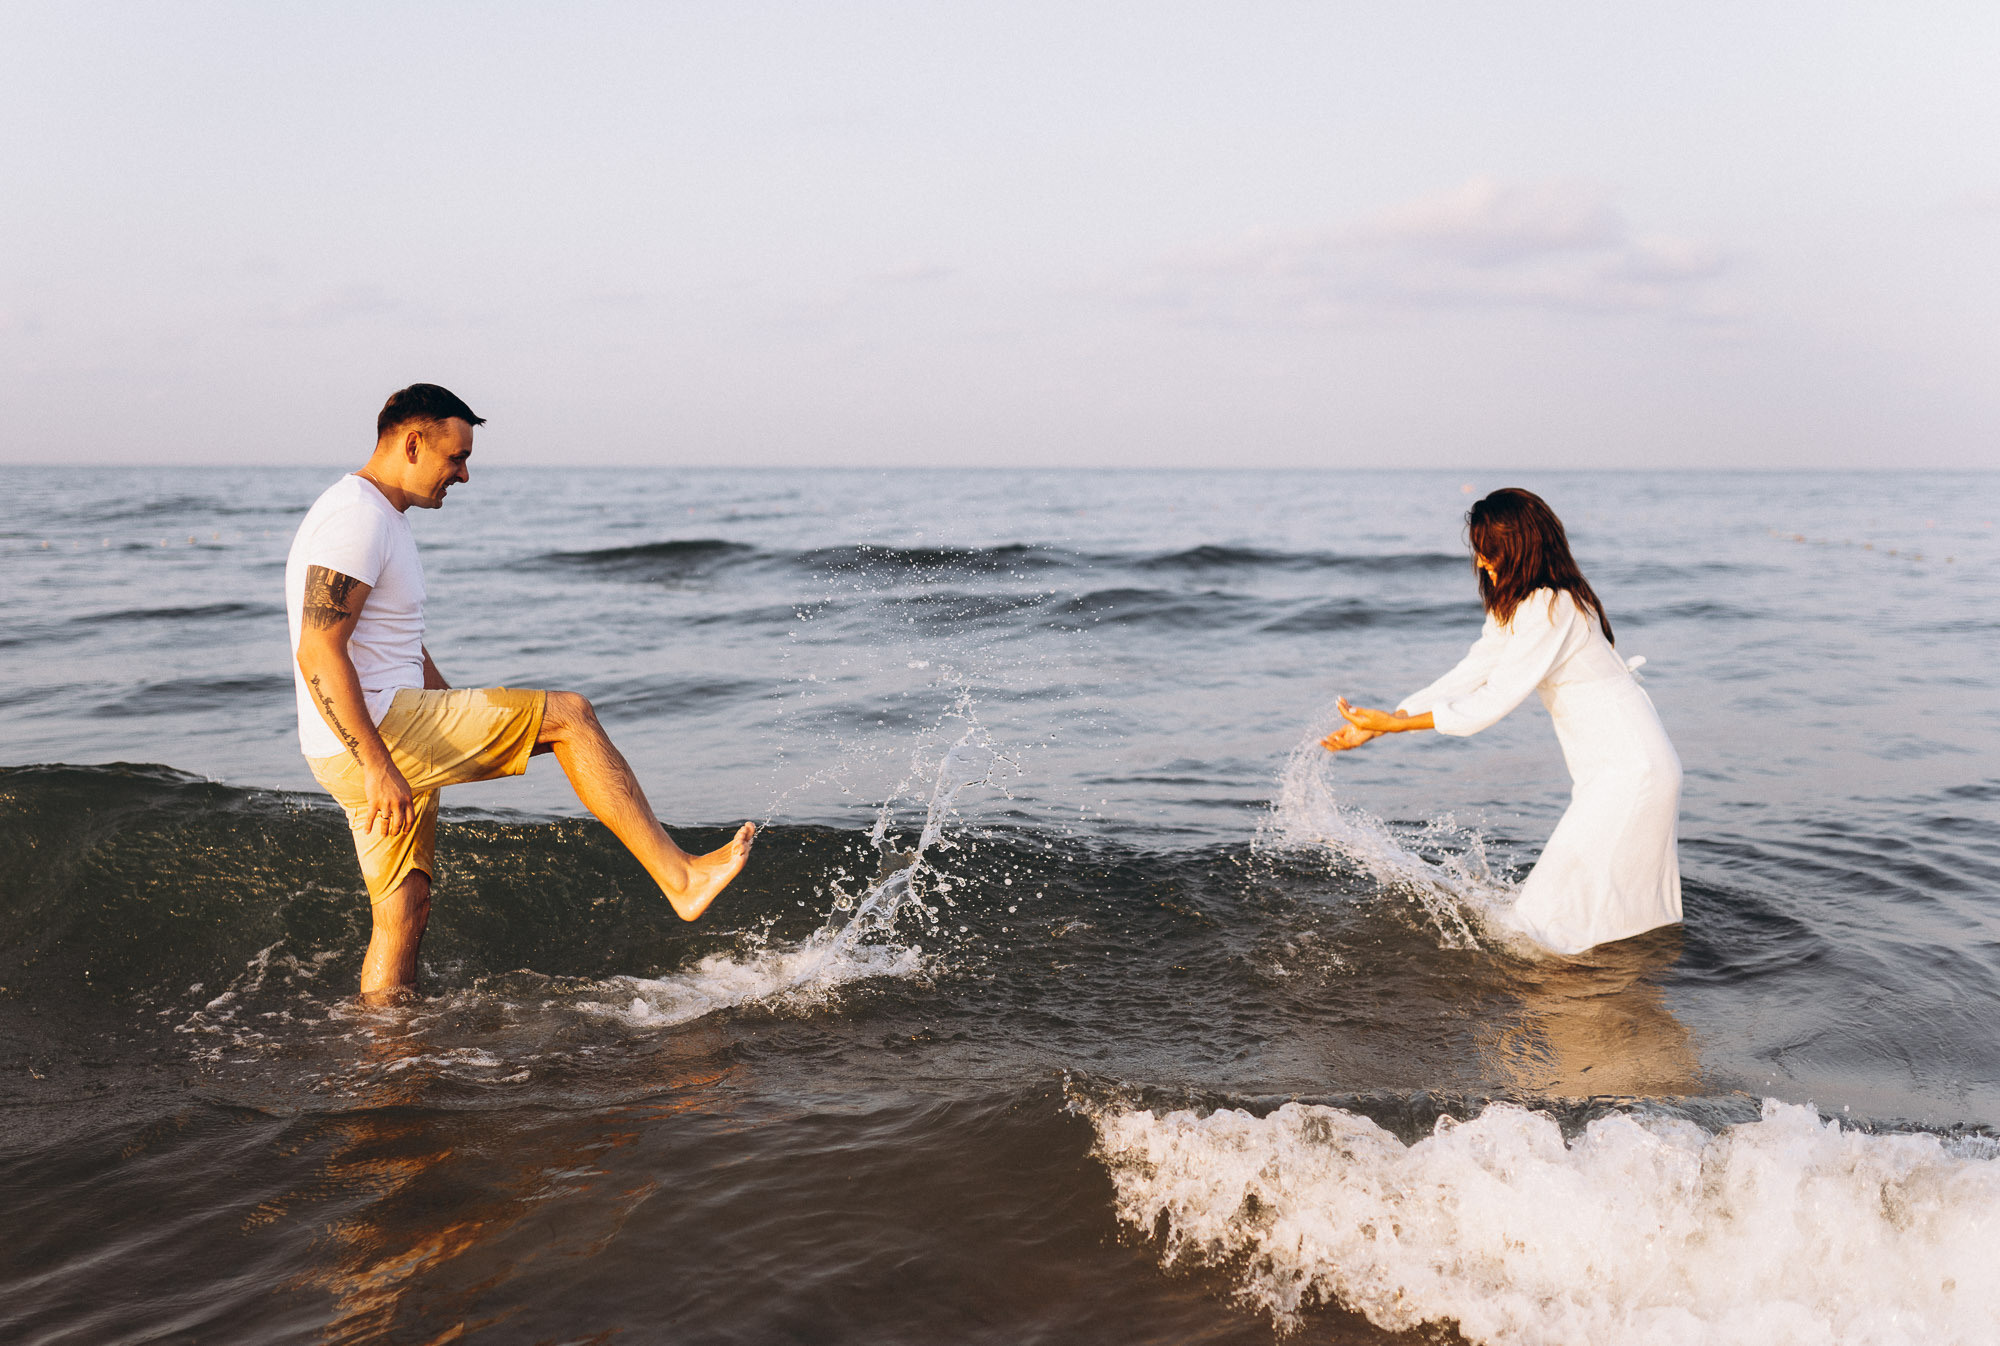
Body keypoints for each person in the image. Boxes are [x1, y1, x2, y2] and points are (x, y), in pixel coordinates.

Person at [286, 383, 755, 1002]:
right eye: (456, 457)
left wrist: (449, 704)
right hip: (375, 733)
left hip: (365, 732)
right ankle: (681, 878)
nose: (465, 474)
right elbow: (319, 649)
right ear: (412, 442)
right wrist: (376, 765)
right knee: (570, 715)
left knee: (403, 907)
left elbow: (396, 645)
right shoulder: (358, 518)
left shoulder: (375, 516)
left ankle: (388, 1054)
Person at [1322, 488, 1681, 954]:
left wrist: (1395, 727)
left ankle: (1586, 1012)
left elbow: (1492, 701)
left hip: (1633, 775)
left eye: (1489, 552)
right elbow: (1472, 673)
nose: (1483, 563)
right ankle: (1619, 1004)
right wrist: (1389, 719)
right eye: (1479, 552)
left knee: (1544, 923)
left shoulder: (1554, 608)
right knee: (1596, 916)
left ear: (1520, 549)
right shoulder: (1528, 606)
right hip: (1617, 773)